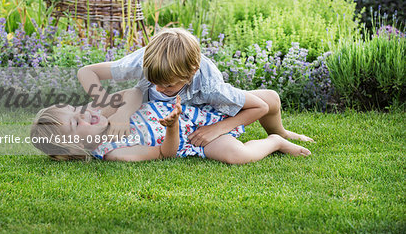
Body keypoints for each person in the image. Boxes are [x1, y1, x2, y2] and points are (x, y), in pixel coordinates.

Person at [77, 28, 314, 163]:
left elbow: (259, 108)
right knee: (120, 99)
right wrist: (115, 110)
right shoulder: (145, 62)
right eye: (154, 82)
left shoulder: (210, 85)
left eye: (168, 86)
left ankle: (279, 135)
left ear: (189, 75)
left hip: (203, 110)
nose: (159, 89)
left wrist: (218, 129)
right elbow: (86, 72)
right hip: (159, 115)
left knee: (268, 100)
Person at [30, 89, 311, 163]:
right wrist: (173, 126)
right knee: (237, 156)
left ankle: (280, 130)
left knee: (268, 100)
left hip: (197, 108)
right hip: (196, 138)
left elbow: (135, 93)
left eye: (78, 109)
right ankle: (276, 143)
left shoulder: (106, 113)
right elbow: (166, 152)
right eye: (76, 122)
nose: (85, 114)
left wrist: (123, 114)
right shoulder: (116, 151)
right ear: (77, 145)